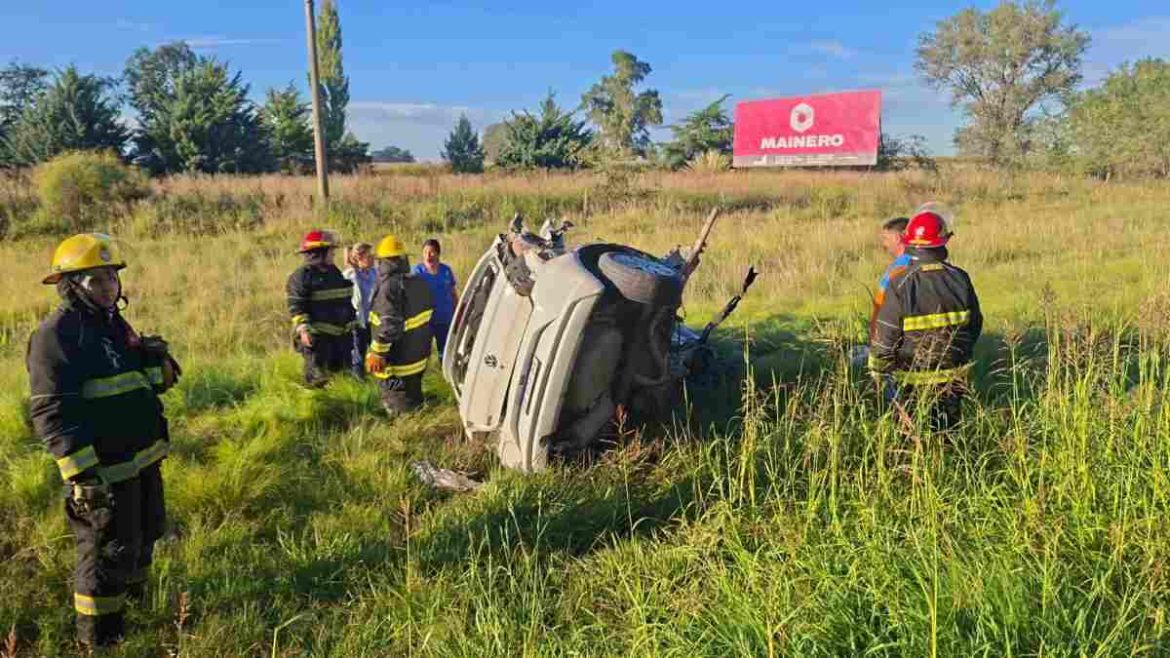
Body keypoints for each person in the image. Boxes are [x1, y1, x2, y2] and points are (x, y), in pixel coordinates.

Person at [27, 233, 180, 648]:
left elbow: (145, 387)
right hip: (103, 468)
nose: (109, 286)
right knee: (105, 553)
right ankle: (101, 639)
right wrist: (82, 475)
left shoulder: (114, 324)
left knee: (145, 534)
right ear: (70, 285)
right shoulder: (55, 335)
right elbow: (50, 411)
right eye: (96, 280)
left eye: (112, 277)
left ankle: (136, 607)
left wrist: (159, 362)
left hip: (143, 458)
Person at [869, 209, 982, 432]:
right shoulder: (960, 278)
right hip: (953, 379)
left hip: (910, 382)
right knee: (948, 434)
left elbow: (885, 338)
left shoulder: (899, 282)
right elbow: (975, 326)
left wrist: (878, 371)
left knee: (911, 438)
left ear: (910, 243)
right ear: (942, 243)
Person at [365, 234, 435, 417]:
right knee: (414, 399)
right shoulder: (419, 282)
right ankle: (421, 422)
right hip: (418, 362)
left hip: (397, 366)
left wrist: (377, 352)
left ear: (384, 262)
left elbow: (389, 325)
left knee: (398, 406)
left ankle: (408, 433)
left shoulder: (389, 287)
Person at [287, 230, 355, 387]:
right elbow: (296, 307)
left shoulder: (334, 272)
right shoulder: (301, 277)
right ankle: (318, 407)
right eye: (331, 251)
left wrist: (351, 322)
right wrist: (304, 330)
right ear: (319, 253)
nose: (333, 254)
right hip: (317, 340)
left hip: (341, 338)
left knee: (342, 379)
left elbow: (343, 300)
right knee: (318, 380)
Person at [411, 238, 458, 360]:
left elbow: (453, 293)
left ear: (438, 253)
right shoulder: (418, 272)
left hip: (444, 317)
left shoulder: (446, 271)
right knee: (422, 351)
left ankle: (444, 373)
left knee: (445, 350)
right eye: (425, 252)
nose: (428, 255)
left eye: (431, 252)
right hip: (425, 320)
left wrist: (457, 312)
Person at [343, 242, 376, 379]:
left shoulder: (375, 272)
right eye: (369, 255)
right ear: (360, 258)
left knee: (377, 351)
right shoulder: (350, 275)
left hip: (374, 320)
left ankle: (379, 380)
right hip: (359, 320)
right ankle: (359, 382)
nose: (373, 258)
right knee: (359, 353)